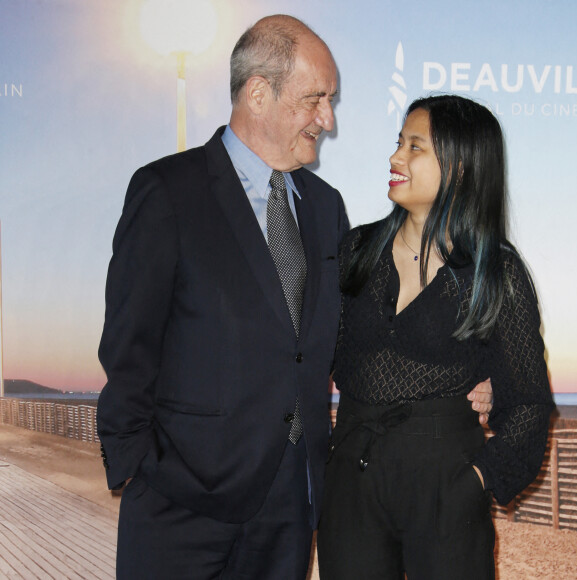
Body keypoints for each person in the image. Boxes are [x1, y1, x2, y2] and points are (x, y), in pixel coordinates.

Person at [97, 15, 492, 579]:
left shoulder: (327, 207)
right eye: (316, 99)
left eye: (329, 101)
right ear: (259, 93)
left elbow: (356, 339)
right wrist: (136, 466)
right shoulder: (166, 192)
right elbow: (128, 347)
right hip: (179, 507)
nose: (328, 120)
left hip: (291, 508)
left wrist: (471, 373)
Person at [317, 95, 554, 579]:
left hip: (448, 480)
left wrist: (476, 479)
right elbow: (316, 354)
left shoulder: (496, 270)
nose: (395, 157)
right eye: (398, 143)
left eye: (414, 147)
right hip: (351, 479)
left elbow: (528, 400)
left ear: (461, 167)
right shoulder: (356, 250)